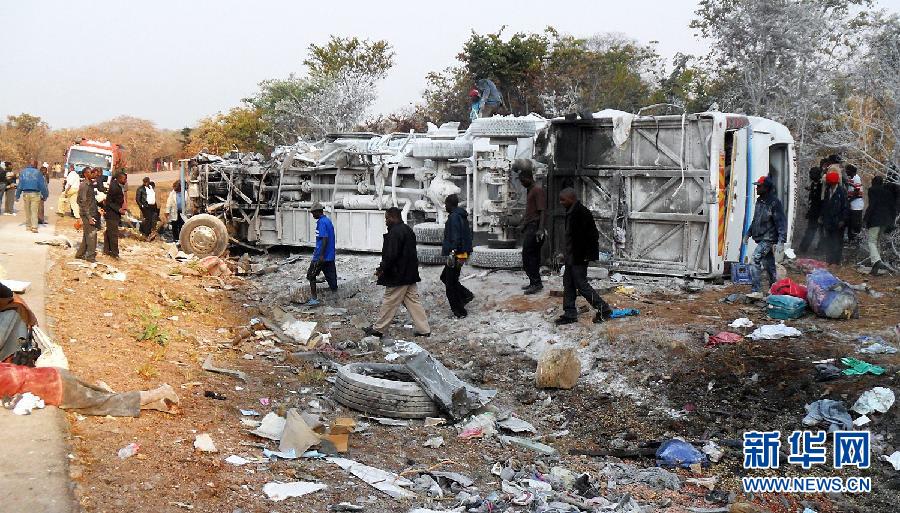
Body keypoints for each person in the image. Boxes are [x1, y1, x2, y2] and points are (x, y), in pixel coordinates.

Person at [0, 282, 179, 416]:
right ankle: (157, 401)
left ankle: (157, 394)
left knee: (104, 403)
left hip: (53, 386)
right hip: (52, 375)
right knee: (103, 399)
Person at [364, 208, 431, 338]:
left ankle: (378, 329)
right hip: (409, 274)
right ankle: (424, 329)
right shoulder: (407, 230)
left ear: (393, 218)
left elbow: (391, 255)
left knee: (389, 301)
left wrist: (381, 269)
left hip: (398, 275)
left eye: (387, 218)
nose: (386, 221)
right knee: (413, 301)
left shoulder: (395, 233)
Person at [555, 188, 613, 325]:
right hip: (572, 256)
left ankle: (603, 308)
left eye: (563, 200)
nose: (561, 202)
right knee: (568, 283)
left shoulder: (582, 213)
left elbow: (593, 236)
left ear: (571, 198)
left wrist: (587, 255)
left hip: (579, 257)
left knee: (581, 284)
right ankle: (570, 313)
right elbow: (571, 237)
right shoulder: (571, 212)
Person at [744, 176, 787, 296]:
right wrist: (748, 233)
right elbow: (756, 220)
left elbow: (781, 222)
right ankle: (775, 289)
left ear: (766, 188)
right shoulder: (760, 201)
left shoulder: (774, 203)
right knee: (769, 265)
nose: (757, 188)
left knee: (754, 260)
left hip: (768, 238)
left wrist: (781, 241)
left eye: (759, 186)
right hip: (761, 238)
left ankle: (756, 290)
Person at [440, 194, 474, 318]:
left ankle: (459, 311)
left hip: (456, 254)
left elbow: (455, 236)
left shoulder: (454, 217)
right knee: (445, 277)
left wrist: (452, 253)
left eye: (446, 204)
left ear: (450, 204)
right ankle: (465, 295)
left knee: (450, 284)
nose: (445, 206)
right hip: (461, 254)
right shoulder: (461, 216)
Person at [517, 161, 546, 294]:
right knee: (530, 256)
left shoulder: (537, 190)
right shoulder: (530, 190)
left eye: (523, 180)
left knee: (529, 256)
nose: (522, 183)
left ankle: (536, 283)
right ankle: (534, 282)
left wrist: (540, 229)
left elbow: (542, 211)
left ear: (529, 178)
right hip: (531, 226)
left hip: (535, 227)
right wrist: (524, 225)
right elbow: (531, 211)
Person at [305, 202, 338, 307]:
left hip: (320, 256)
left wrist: (321, 255)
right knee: (331, 277)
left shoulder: (321, 223)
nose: (312, 215)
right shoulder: (327, 221)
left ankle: (314, 299)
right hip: (330, 255)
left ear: (318, 212)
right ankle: (336, 298)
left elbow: (324, 239)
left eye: (313, 213)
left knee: (311, 275)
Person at [863, 175, 897, 275]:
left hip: (875, 219)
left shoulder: (873, 190)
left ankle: (877, 261)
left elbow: (872, 205)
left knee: (871, 241)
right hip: (886, 221)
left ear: (874, 182)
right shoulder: (888, 192)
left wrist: (865, 219)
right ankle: (876, 267)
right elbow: (892, 207)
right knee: (877, 242)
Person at [820, 169, 849, 265]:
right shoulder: (827, 190)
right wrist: (822, 217)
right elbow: (825, 205)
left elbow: (845, 207)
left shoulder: (842, 192)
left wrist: (843, 220)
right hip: (829, 220)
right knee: (829, 241)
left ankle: (836, 262)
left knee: (837, 242)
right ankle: (829, 260)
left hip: (838, 221)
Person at [15, 161, 49, 233]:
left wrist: (17, 195)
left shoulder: (23, 172)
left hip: (26, 194)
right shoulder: (38, 173)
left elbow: (20, 185)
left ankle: (28, 226)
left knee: (27, 210)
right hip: (35, 194)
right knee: (34, 211)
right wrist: (45, 195)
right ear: (35, 165)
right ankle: (34, 227)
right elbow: (42, 185)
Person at [74, 167, 99, 262]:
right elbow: (82, 202)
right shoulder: (84, 186)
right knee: (92, 235)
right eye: (89, 172)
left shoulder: (90, 184)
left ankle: (80, 254)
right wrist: (89, 217)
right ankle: (90, 256)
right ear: (85, 174)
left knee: (87, 234)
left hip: (91, 212)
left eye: (92, 172)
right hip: (87, 213)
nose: (92, 174)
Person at [797, 166, 824, 254]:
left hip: (819, 211)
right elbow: (811, 199)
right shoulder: (813, 184)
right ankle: (804, 247)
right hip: (813, 211)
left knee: (819, 231)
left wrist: (821, 214)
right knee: (811, 230)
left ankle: (819, 249)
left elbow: (822, 200)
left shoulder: (821, 185)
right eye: (811, 174)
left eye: (812, 174)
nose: (811, 176)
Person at [103, 171, 127, 258]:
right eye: (124, 179)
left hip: (114, 213)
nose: (126, 181)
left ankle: (107, 250)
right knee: (113, 233)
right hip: (111, 214)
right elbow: (109, 202)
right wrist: (119, 209)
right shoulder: (114, 187)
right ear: (119, 178)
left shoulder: (117, 186)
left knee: (109, 232)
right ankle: (114, 253)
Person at [845, 163, 864, 241]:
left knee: (855, 224)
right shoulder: (852, 178)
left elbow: (856, 193)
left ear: (851, 171)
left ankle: (855, 240)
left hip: (856, 205)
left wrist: (848, 201)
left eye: (847, 170)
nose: (846, 171)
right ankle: (851, 239)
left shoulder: (856, 178)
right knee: (850, 223)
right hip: (853, 204)